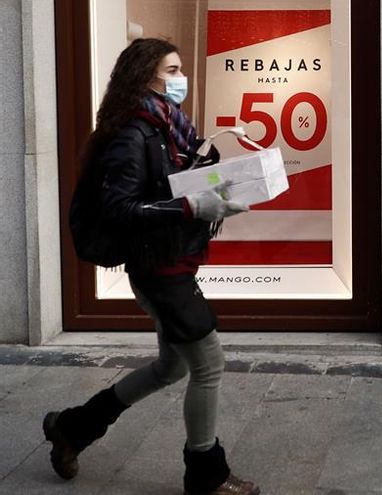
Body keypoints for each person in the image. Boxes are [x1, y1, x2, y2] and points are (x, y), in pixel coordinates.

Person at [43, 38, 259, 495]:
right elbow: (121, 207)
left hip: (175, 257)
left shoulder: (167, 123)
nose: (181, 79)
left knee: (171, 368)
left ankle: (73, 428)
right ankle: (206, 474)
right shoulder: (132, 133)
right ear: (147, 76)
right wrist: (191, 208)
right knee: (208, 364)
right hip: (159, 268)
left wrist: (218, 165)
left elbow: (173, 179)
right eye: (174, 70)